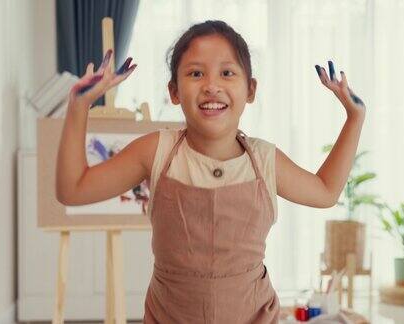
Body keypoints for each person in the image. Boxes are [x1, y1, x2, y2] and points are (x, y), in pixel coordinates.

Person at [56, 20, 366, 324]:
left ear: (250, 90)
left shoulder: (265, 159)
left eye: (227, 73)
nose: (211, 86)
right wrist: (78, 106)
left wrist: (355, 118)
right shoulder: (155, 150)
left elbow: (325, 192)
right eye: (195, 73)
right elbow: (73, 189)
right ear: (174, 91)